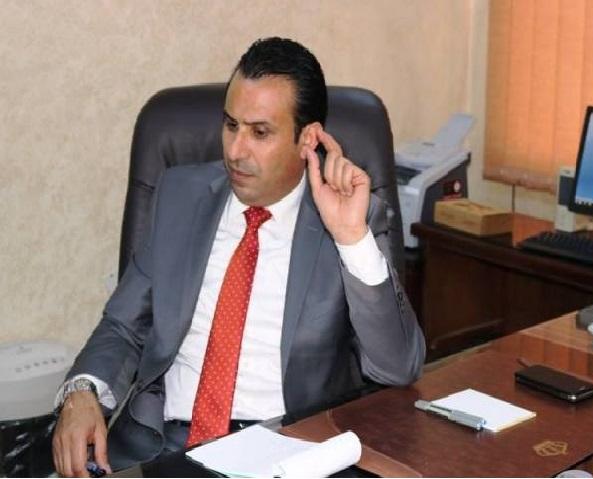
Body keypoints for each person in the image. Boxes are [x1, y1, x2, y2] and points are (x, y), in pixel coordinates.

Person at [52, 37, 425, 477]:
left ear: (307, 139)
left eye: (260, 133)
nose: (235, 150)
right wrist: (82, 391)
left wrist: (350, 237)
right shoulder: (181, 196)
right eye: (231, 125)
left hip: (286, 450)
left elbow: (398, 368)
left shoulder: (349, 221)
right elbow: (122, 325)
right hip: (165, 449)